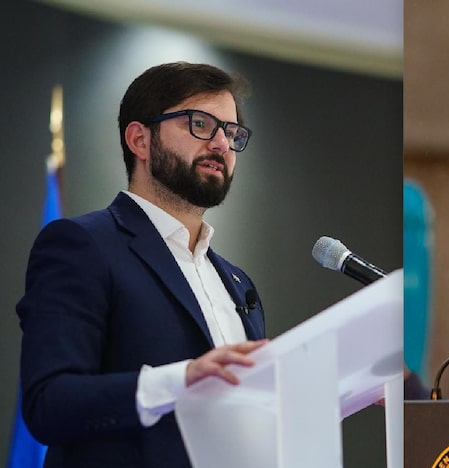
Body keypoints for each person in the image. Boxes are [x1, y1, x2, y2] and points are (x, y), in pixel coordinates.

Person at [17, 62, 268, 467]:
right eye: (201, 124)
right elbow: (49, 403)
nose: (221, 143)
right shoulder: (83, 245)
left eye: (231, 131)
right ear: (140, 139)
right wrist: (178, 381)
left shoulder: (238, 283)